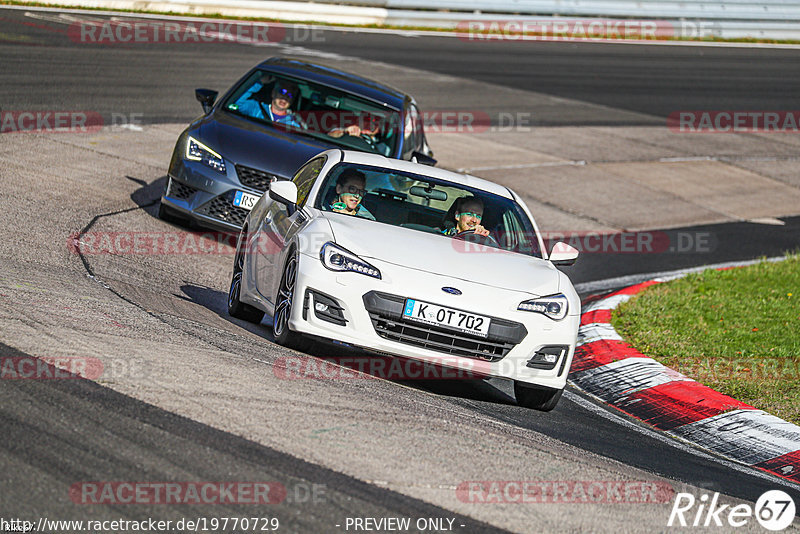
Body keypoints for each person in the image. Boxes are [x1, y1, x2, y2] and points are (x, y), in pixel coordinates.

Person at [232, 78, 304, 129]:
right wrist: (259, 83)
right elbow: (237, 101)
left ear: (292, 101)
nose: (285, 97)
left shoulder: (293, 124)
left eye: (290, 95)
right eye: (282, 92)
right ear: (273, 93)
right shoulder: (256, 108)